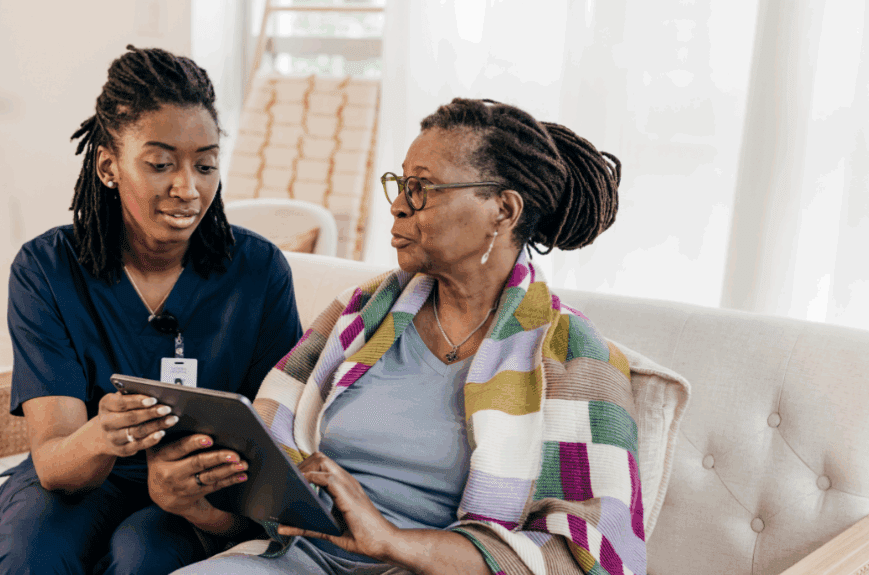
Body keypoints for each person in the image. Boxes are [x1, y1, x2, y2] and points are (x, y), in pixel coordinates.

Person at [176, 98, 645, 575]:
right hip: (300, 559)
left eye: (421, 189)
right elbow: (271, 486)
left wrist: (393, 541)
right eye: (400, 185)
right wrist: (197, 503)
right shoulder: (358, 315)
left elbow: (589, 557)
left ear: (502, 211)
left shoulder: (576, 360)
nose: (398, 206)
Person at [0, 45, 303, 575]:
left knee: (142, 553)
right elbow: (57, 465)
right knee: (32, 553)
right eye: (160, 164)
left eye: (205, 165)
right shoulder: (47, 268)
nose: (188, 188)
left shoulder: (259, 271)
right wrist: (104, 434)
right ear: (108, 166)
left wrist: (203, 498)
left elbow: (278, 443)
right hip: (86, 470)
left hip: (195, 492)